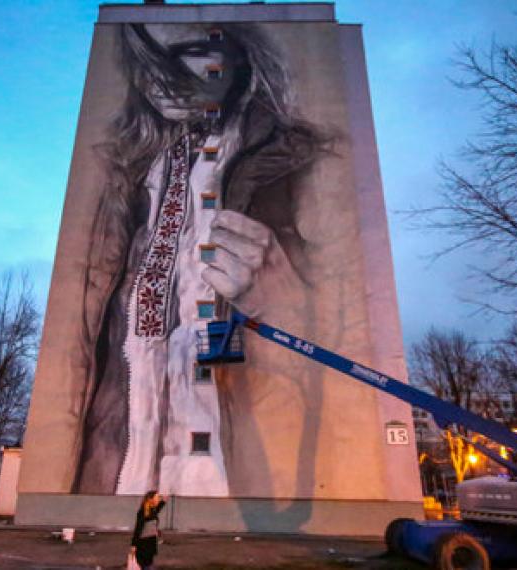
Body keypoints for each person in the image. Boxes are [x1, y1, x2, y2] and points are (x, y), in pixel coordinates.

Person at [74, 21, 328, 497]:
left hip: (241, 481)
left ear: (242, 56)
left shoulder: (305, 162)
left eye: (189, 51)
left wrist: (284, 304)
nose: (159, 79)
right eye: (145, 54)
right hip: (123, 477)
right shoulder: (124, 167)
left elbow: (344, 323)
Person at [130, 490, 167, 569]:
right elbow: (138, 529)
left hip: (150, 542)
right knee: (146, 565)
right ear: (150, 499)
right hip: (143, 544)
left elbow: (156, 511)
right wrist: (134, 545)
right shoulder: (143, 512)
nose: (158, 499)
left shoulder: (151, 510)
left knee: (148, 564)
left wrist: (163, 501)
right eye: (157, 497)